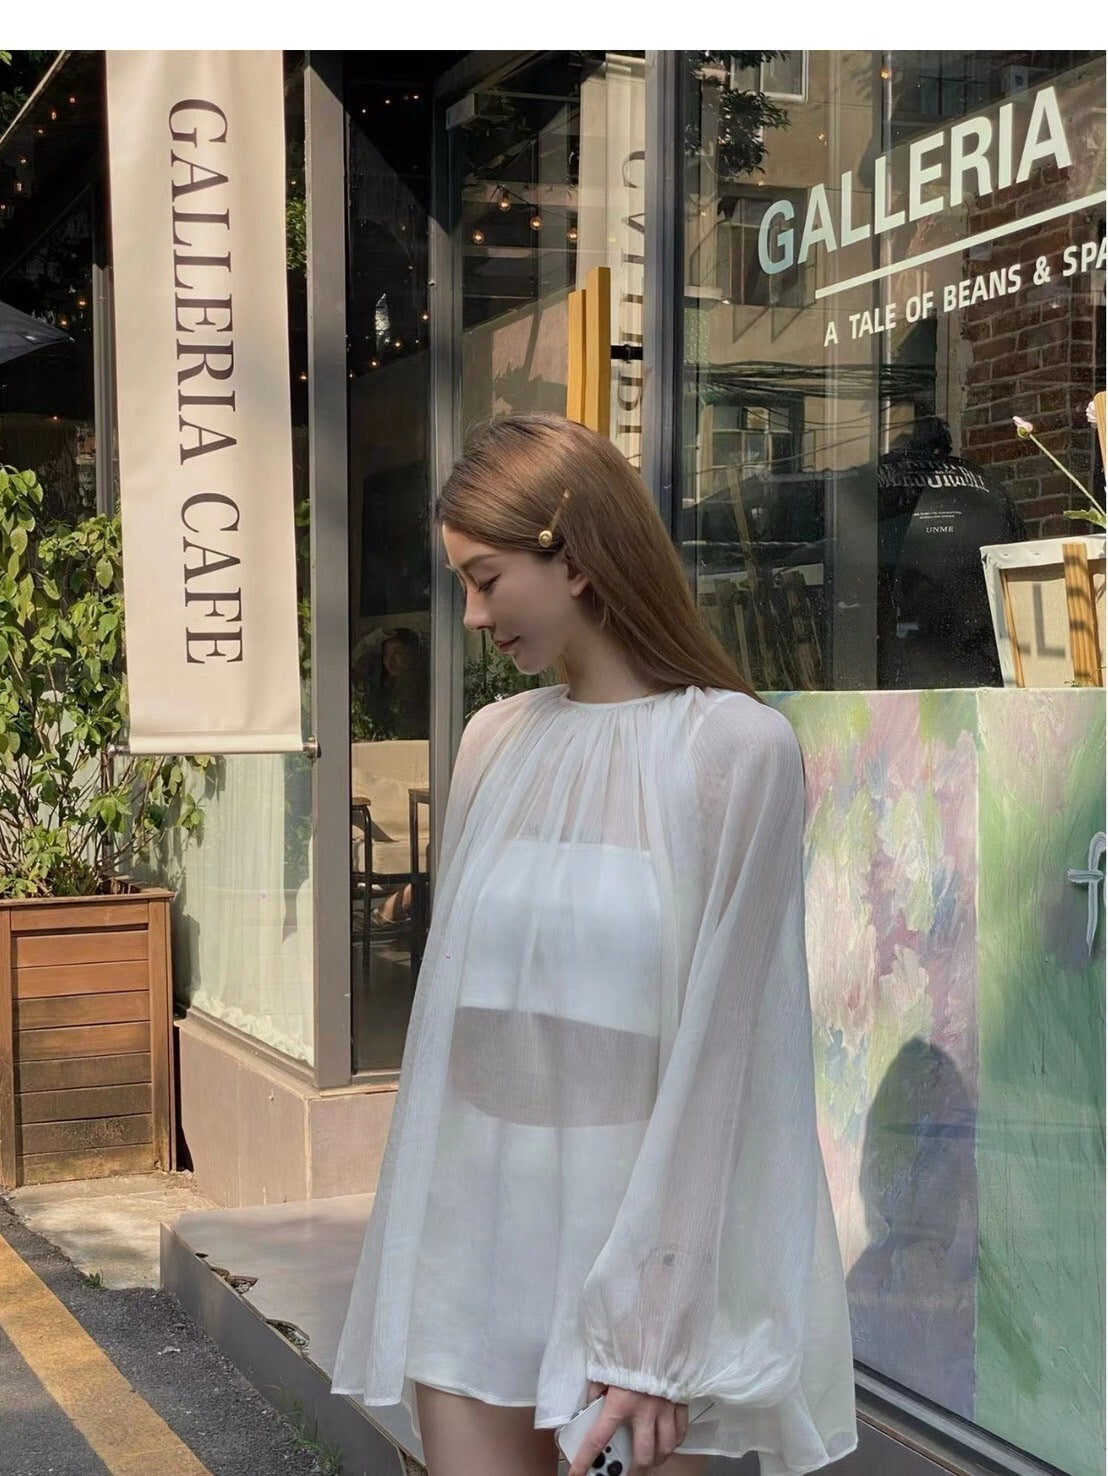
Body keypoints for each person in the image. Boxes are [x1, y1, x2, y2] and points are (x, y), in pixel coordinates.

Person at [332, 413, 857, 1476]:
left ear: (574, 557)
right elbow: (453, 1027)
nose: (472, 616)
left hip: (641, 1261)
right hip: (473, 1244)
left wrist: (653, 1332)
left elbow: (732, 1063)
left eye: (486, 580)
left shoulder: (735, 750)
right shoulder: (494, 743)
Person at [876, 417, 1027, 688]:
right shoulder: (986, 483)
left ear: (908, 444)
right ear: (946, 446)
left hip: (917, 651)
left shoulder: (884, 475)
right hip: (982, 650)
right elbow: (1016, 560)